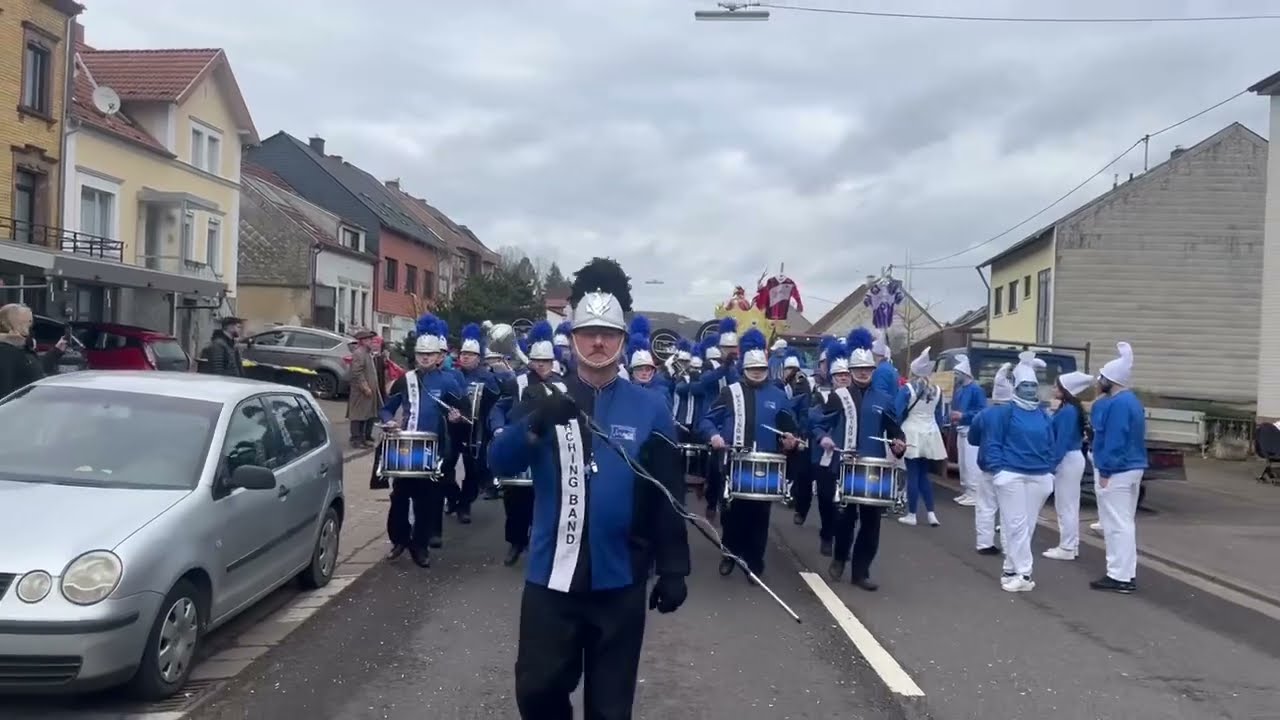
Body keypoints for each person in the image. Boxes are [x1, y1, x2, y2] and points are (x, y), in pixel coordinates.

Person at [489, 257, 689, 720]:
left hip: (619, 580)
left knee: (611, 710)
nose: (598, 343)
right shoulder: (542, 397)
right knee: (536, 692)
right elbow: (497, 462)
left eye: (609, 335)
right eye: (588, 334)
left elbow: (668, 493)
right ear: (573, 339)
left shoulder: (651, 408)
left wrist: (674, 567)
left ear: (621, 341)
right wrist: (535, 425)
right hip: (551, 578)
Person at [701, 327, 800, 579]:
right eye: (752, 369)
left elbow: (790, 427)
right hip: (734, 462)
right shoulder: (729, 392)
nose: (757, 372)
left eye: (761, 369)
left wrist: (790, 440)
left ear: (767, 370)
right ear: (744, 370)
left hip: (764, 464)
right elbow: (707, 421)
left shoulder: (777, 396)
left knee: (759, 517)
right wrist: (713, 435)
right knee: (732, 515)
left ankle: (755, 562)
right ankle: (730, 555)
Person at [814, 328, 906, 591]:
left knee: (871, 522)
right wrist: (824, 438)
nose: (863, 372)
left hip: (873, 467)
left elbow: (894, 432)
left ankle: (861, 571)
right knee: (844, 518)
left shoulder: (885, 400)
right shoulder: (838, 396)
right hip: (844, 465)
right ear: (851, 371)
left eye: (867, 368)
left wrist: (899, 445)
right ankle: (840, 557)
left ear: (873, 370)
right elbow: (821, 424)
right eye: (859, 369)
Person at [379, 314, 469, 567]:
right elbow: (387, 408)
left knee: (427, 502)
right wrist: (389, 421)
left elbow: (463, 411)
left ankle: (420, 547)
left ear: (439, 356)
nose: (425, 358)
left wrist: (456, 417)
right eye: (421, 354)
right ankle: (399, 539)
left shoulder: (448, 381)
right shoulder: (405, 380)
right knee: (398, 498)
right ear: (415, 355)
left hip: (436, 449)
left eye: (430, 354)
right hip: (407, 446)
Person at [976, 351, 1057, 593]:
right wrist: (1000, 470)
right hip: (1011, 474)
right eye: (1025, 385)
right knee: (1015, 525)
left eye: (1034, 385)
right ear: (1016, 388)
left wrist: (1050, 469)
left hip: (1040, 476)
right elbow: (992, 443)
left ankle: (1011, 568)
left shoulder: (1043, 414)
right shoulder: (1005, 413)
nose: (1031, 389)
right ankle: (1025, 573)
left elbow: (1052, 444)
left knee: (1026, 526)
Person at [489, 321, 563, 566]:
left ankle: (545, 545)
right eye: (537, 360)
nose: (541, 365)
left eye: (546, 361)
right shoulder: (516, 383)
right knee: (515, 499)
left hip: (550, 450)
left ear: (553, 362)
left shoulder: (562, 384)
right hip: (521, 447)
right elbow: (498, 409)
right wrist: (500, 429)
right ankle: (516, 542)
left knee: (546, 499)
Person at [1090, 342, 1146, 594]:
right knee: (1124, 522)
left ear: (1111, 380)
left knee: (1117, 524)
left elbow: (1114, 439)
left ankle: (1120, 575)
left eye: (1102, 376)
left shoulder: (1118, 404)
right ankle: (1125, 573)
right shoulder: (1131, 401)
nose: (1098, 380)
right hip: (1132, 467)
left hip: (1118, 469)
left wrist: (1106, 471)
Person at [447, 323, 502, 524]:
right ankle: (453, 497)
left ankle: (465, 506)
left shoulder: (486, 376)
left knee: (472, 471)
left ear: (478, 358)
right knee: (445, 466)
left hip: (475, 430)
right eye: (463, 354)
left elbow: (496, 399)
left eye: (470, 354)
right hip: (453, 428)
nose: (465, 357)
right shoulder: (453, 375)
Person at [794, 336, 842, 546]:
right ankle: (801, 509)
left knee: (828, 495)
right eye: (824, 363)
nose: (827, 367)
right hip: (811, 442)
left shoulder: (845, 389)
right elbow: (801, 408)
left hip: (835, 448)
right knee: (803, 482)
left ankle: (828, 534)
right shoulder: (809, 382)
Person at [1044, 371, 1095, 561]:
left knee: (1065, 505)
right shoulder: (1072, 409)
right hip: (1072, 458)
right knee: (1070, 504)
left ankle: (1066, 547)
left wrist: (1051, 465)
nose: (1053, 389)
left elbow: (1061, 442)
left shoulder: (1067, 412)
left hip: (1067, 459)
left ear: (1066, 390)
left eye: (1057, 386)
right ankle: (1071, 545)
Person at [896, 347, 947, 527]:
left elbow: (898, 411)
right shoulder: (938, 390)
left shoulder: (907, 389)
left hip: (911, 432)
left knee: (913, 474)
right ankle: (932, 514)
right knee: (924, 475)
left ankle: (912, 514)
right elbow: (941, 417)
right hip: (930, 433)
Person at [967, 363, 1012, 556]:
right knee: (1010, 510)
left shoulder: (984, 414)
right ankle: (1009, 546)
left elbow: (972, 438)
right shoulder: (1016, 414)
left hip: (987, 466)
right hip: (1010, 467)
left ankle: (984, 543)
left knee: (986, 506)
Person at [0, 303, 67, 397]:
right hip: (17, 408)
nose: (31, 323)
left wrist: (56, 351)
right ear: (15, 323)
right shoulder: (5, 349)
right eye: (28, 321)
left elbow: (35, 369)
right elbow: (4, 390)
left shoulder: (21, 347)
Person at [949, 354, 986, 506]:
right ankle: (967, 490)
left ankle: (975, 492)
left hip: (971, 429)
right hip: (960, 429)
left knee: (971, 463)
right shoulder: (959, 390)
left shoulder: (976, 390)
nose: (955, 376)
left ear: (965, 374)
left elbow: (981, 410)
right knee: (963, 463)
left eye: (957, 374)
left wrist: (963, 415)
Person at [347, 330, 381, 449]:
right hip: (360, 392)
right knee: (358, 415)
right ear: (363, 341)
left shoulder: (367, 353)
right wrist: (365, 387)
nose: (372, 342)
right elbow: (357, 373)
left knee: (366, 415)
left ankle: (363, 438)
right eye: (369, 340)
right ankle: (356, 439)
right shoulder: (359, 353)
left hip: (368, 391)